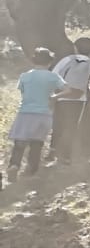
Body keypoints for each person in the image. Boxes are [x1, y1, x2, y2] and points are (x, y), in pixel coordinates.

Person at [8, 48, 63, 180]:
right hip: (44, 114)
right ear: (50, 62)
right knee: (37, 144)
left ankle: (14, 166)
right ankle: (31, 172)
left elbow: (22, 92)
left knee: (19, 143)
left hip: (25, 112)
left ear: (33, 60)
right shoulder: (53, 76)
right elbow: (67, 89)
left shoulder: (25, 76)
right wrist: (55, 96)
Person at [48, 37, 90, 167]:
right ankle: (66, 156)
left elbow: (54, 76)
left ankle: (53, 151)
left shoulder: (66, 60)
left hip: (61, 95)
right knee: (71, 127)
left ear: (75, 47)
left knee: (58, 124)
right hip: (78, 99)